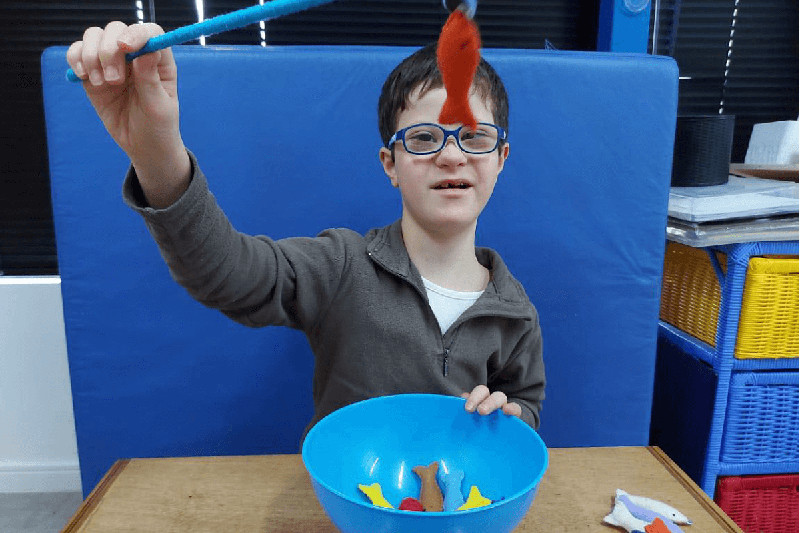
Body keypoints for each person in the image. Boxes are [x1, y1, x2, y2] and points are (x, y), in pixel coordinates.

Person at [65, 22, 545, 437]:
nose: (452, 155)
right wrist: (156, 151)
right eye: (423, 138)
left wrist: (512, 417)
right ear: (390, 165)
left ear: (501, 158)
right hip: (351, 505)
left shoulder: (515, 311)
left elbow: (524, 405)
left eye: (475, 136)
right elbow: (227, 274)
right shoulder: (341, 266)